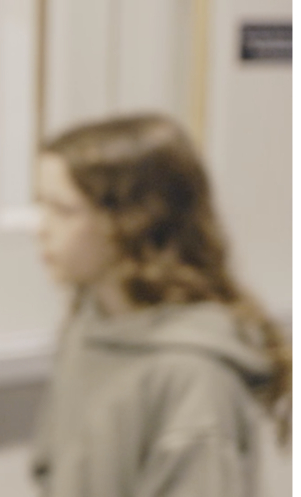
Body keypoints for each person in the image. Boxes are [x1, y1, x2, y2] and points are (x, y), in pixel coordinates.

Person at [30, 113, 290, 497]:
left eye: (64, 210)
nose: (41, 227)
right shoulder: (89, 328)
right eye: (41, 205)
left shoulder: (192, 375)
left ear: (132, 221)